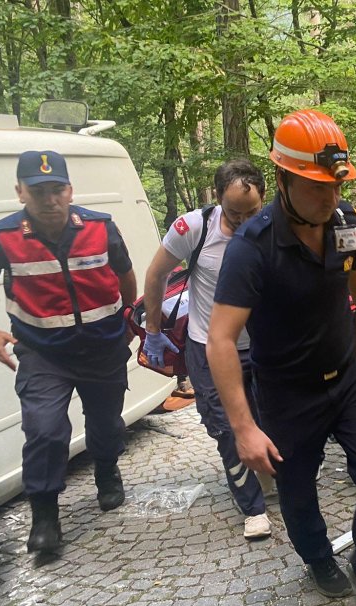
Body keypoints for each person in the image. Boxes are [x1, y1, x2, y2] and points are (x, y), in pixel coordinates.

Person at [207, 109, 356, 606]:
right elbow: (221, 341)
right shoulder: (253, 248)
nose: (330, 198)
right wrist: (244, 428)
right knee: (297, 490)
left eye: (336, 185)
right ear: (282, 179)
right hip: (288, 392)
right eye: (317, 188)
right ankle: (318, 559)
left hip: (347, 373)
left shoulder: (345, 222)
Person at [0, 150, 137, 554]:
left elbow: (124, 272)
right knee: (44, 430)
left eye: (57, 189)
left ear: (70, 189)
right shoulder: (0, 238)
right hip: (43, 352)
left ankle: (107, 470)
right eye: (38, 190)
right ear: (20, 192)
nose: (50, 199)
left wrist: (128, 320)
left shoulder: (101, 227)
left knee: (106, 422)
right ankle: (45, 515)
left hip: (102, 347)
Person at [142, 159, 271, 541]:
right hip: (208, 346)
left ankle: (265, 465)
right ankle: (252, 507)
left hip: (263, 344)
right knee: (225, 428)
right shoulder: (193, 228)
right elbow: (156, 273)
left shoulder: (273, 229)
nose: (244, 221)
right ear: (217, 200)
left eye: (253, 211)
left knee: (267, 417)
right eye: (235, 213)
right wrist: (153, 329)